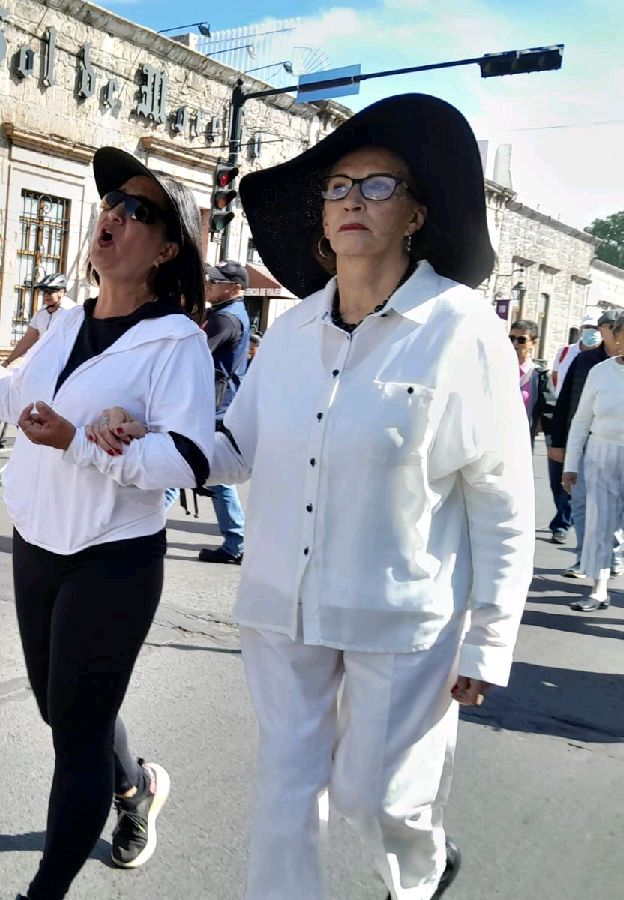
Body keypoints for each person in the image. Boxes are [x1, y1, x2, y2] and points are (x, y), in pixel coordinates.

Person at [92, 94, 534, 900]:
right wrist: (139, 439)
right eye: (339, 189)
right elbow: (232, 450)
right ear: (321, 223)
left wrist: (490, 638)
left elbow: (500, 497)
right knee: (285, 797)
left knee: (381, 801)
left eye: (377, 186)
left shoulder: (462, 328)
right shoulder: (290, 332)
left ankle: (423, 869)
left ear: (415, 215)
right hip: (279, 607)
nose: (353, 202)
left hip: (400, 618)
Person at [0, 147, 215, 899]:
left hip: (112, 557)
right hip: (36, 541)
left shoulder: (175, 340)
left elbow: (186, 459)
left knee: (75, 739)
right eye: (111, 200)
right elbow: (15, 400)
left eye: (138, 209)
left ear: (168, 247)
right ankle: (138, 785)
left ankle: (43, 891)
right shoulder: (64, 322)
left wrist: (83, 443)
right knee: (62, 711)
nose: (113, 214)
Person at [548, 309, 624, 578]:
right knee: (582, 505)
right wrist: (558, 441)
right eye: (609, 327)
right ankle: (584, 557)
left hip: (614, 447)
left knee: (615, 510)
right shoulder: (586, 362)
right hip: (586, 446)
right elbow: (568, 404)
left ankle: (612, 555)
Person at [198, 260, 250, 565]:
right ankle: (235, 542)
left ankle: (235, 542)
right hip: (219, 404)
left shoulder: (225, 320)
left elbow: (193, 357)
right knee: (196, 471)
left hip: (214, 407)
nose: (209, 285)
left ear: (235, 288)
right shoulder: (228, 314)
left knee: (207, 473)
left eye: (215, 282)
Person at [1, 273, 76, 366]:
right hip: (43, 362)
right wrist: (8, 361)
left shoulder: (73, 312)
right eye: (44, 292)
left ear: (61, 291)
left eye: (49, 292)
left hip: (65, 364)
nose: (46, 295)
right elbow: (28, 339)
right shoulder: (41, 312)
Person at [509, 319, 548, 450]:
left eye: (521, 340)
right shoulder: (496, 370)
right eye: (511, 338)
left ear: (533, 343)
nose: (515, 343)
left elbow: (549, 414)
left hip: (521, 444)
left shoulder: (538, 376)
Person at [551, 313, 601, 395]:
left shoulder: (605, 356)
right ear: (581, 329)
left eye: (595, 328)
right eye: (588, 327)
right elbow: (555, 377)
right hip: (562, 404)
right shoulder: (565, 351)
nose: (591, 330)